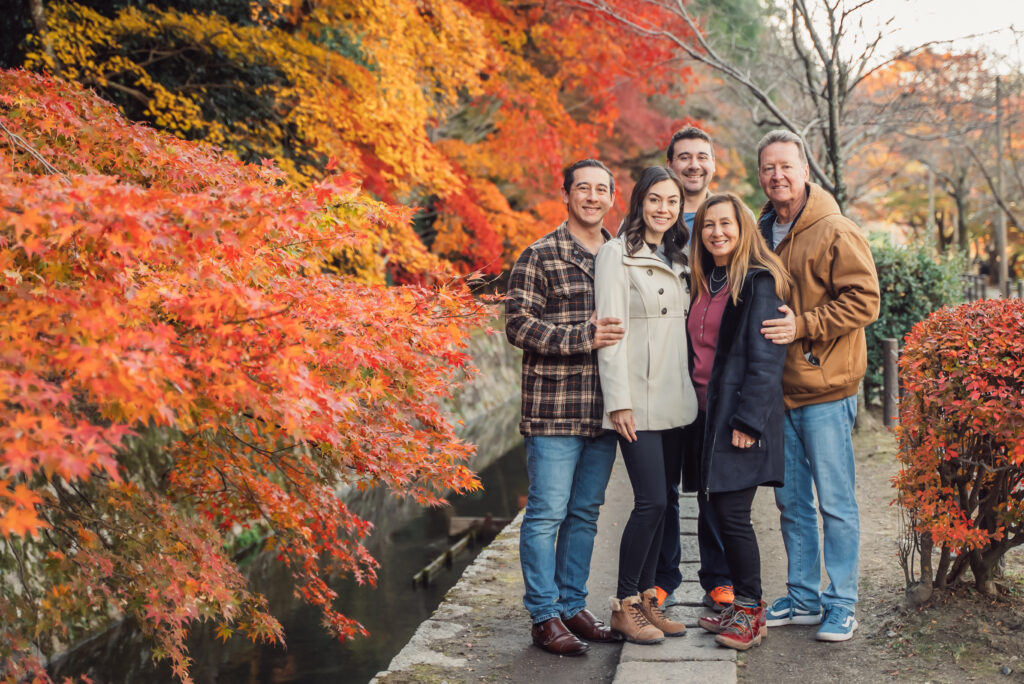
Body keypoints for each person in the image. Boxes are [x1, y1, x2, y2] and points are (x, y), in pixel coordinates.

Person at [756, 130, 880, 642]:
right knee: (791, 505)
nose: (777, 176)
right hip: (776, 392)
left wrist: (802, 325)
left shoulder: (835, 229)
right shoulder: (760, 230)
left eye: (786, 166)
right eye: (768, 169)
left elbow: (865, 300)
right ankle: (804, 597)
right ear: (760, 175)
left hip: (826, 392)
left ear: (805, 169)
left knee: (835, 502)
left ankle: (841, 602)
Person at [506, 159, 626, 656]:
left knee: (585, 513)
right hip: (555, 410)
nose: (593, 197)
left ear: (612, 196)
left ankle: (573, 604)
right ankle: (543, 616)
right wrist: (584, 336)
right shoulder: (539, 255)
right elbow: (518, 325)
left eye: (602, 190)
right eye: (584, 189)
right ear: (566, 194)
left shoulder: (621, 255)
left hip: (604, 410)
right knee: (546, 515)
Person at [595, 166, 697, 644]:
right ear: (639, 203)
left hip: (677, 399)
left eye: (672, 201)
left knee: (665, 504)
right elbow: (610, 336)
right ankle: (623, 604)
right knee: (650, 500)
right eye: (655, 199)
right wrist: (619, 402)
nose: (664, 209)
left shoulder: (679, 257)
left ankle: (649, 601)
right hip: (637, 400)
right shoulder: (616, 255)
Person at [685, 192, 790, 650]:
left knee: (732, 514)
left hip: (739, 417)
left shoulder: (757, 283)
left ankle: (751, 610)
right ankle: (739, 605)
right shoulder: (709, 279)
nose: (717, 232)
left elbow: (767, 361)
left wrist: (749, 421)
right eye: (709, 225)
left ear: (743, 227)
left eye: (726, 223)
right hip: (706, 418)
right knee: (714, 510)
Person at [655, 126, 734, 614]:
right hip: (663, 374)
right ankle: (663, 575)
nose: (692, 165)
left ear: (712, 164)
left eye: (701, 157)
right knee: (660, 484)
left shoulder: (725, 221)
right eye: (683, 157)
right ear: (671, 163)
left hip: (713, 378)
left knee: (713, 483)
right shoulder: (655, 221)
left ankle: (719, 577)